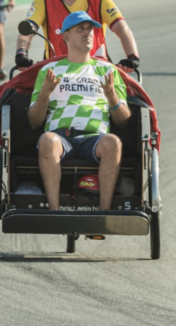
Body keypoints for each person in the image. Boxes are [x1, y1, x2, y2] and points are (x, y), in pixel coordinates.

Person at [27, 11, 131, 211]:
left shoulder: (108, 71)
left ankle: (104, 213)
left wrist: (112, 98)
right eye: (80, 29)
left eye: (90, 29)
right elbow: (33, 122)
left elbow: (124, 121)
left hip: (95, 139)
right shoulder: (50, 70)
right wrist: (44, 95)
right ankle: (54, 213)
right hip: (60, 138)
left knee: (114, 143)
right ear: (66, 36)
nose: (87, 33)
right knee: (47, 141)